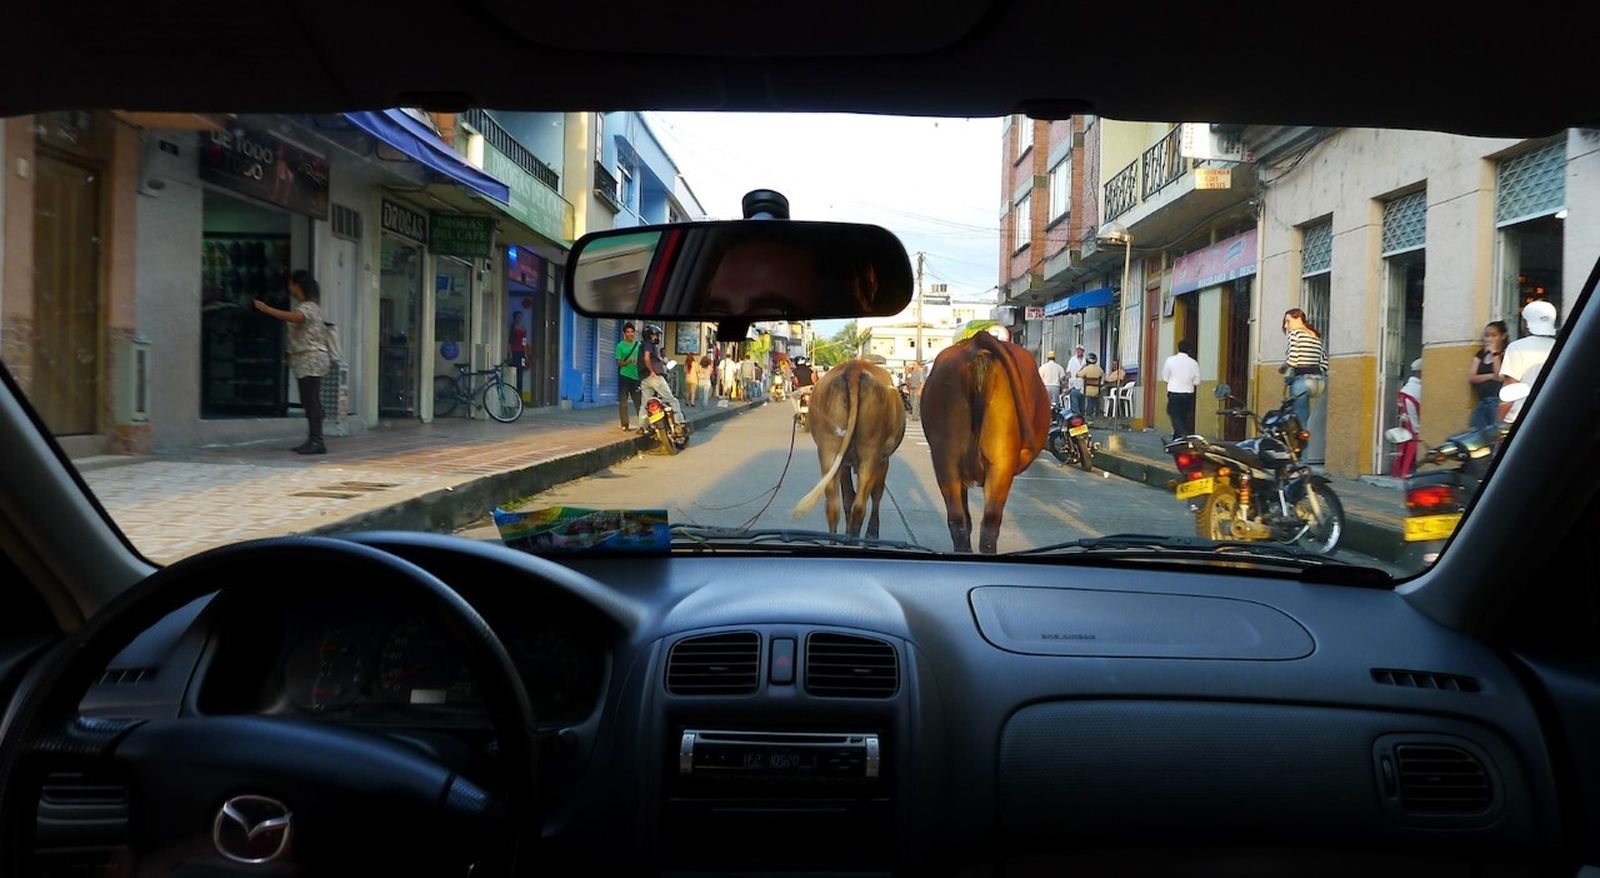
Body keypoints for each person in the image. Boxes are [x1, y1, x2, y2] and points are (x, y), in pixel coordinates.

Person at [253, 270, 331, 454]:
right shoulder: (310, 306)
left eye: (291, 284)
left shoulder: (308, 308)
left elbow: (296, 318)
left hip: (310, 359)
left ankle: (316, 440)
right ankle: (315, 440)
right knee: (311, 400)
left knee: (310, 400)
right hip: (307, 358)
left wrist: (267, 309)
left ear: (298, 285)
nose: (289, 288)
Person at [1499, 299, 1558, 423]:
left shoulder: (1516, 347)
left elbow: (1510, 389)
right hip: (1551, 415)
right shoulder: (1560, 346)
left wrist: (1499, 421)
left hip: (1519, 418)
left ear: (1526, 323)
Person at [1281, 308, 1328, 429]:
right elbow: (1324, 362)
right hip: (1318, 382)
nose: (1286, 326)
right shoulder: (1315, 335)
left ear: (1298, 319)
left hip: (1302, 381)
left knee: (1300, 423)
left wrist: (1283, 368)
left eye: (1288, 321)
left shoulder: (1295, 333)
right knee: (1314, 421)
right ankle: (1313, 444)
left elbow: (1292, 359)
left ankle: (1301, 448)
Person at [637, 324, 682, 431]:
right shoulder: (649, 345)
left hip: (644, 379)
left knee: (645, 405)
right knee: (671, 400)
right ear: (651, 335)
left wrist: (663, 361)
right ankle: (679, 423)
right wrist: (652, 371)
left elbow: (655, 359)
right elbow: (647, 358)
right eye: (656, 335)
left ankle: (642, 427)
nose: (657, 337)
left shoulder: (641, 346)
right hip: (655, 377)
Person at [1468, 321, 1508, 430]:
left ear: (1503, 336)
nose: (1489, 339)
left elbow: (1499, 377)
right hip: (1482, 401)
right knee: (1475, 433)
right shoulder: (1481, 354)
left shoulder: (1506, 354)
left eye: (1494, 335)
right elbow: (1472, 378)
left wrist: (1495, 353)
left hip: (1497, 401)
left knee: (1495, 434)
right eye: (1486, 335)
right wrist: (1490, 376)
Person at [1161, 340, 1201, 439]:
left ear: (1177, 348)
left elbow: (1165, 378)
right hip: (1188, 395)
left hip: (1174, 393)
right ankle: (1178, 440)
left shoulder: (1170, 360)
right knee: (1182, 417)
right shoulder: (1194, 363)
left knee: (1174, 414)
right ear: (1189, 350)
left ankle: (1184, 434)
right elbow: (1197, 382)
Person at [1394, 359, 1423, 477]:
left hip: (1407, 425)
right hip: (1415, 428)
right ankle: (1409, 470)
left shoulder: (1406, 388)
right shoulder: (1418, 389)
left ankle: (1399, 470)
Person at [615, 323, 643, 430]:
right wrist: (627, 361)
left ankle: (642, 424)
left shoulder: (638, 345)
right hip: (624, 376)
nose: (630, 334)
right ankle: (625, 425)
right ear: (624, 333)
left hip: (636, 377)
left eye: (632, 332)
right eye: (628, 332)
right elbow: (618, 362)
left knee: (639, 403)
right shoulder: (620, 346)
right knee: (623, 402)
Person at [508, 311, 530, 400]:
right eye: (518, 317)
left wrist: (525, 353)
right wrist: (509, 353)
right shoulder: (512, 328)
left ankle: (519, 395)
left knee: (520, 373)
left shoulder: (524, 328)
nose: (519, 319)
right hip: (514, 352)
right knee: (513, 372)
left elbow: (524, 342)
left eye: (521, 317)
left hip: (521, 353)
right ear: (515, 318)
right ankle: (512, 394)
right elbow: (509, 341)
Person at [1078, 353, 1105, 418]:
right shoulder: (1100, 369)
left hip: (1087, 391)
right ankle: (1093, 412)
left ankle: (1080, 412)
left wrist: (1083, 367)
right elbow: (1103, 379)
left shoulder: (1086, 369)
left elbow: (1078, 374)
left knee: (1074, 393)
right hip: (1096, 391)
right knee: (1093, 398)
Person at [1064, 345, 1088, 415]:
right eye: (1078, 350)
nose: (1079, 352)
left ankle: (1081, 413)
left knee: (1081, 399)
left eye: (1080, 350)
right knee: (1074, 396)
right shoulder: (1072, 359)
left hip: (1083, 383)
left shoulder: (1086, 360)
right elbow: (1068, 372)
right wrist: (1067, 383)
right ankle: (1076, 413)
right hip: (1073, 382)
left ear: (1083, 351)